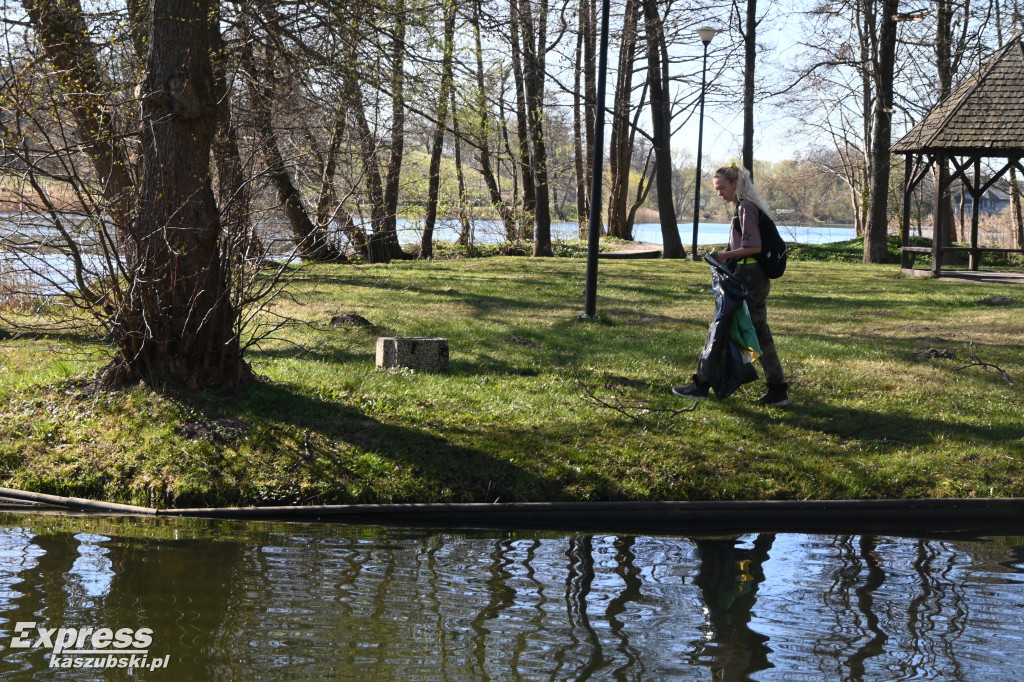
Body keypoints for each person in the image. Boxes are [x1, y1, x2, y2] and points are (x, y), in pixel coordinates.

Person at [673, 164, 790, 406]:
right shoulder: (746, 206)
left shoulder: (745, 207)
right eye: (716, 189)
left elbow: (754, 247)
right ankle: (777, 389)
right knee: (753, 332)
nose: (719, 193)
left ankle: (702, 385)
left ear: (735, 183)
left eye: (722, 188)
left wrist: (724, 257)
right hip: (752, 275)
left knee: (723, 329)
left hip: (749, 275)